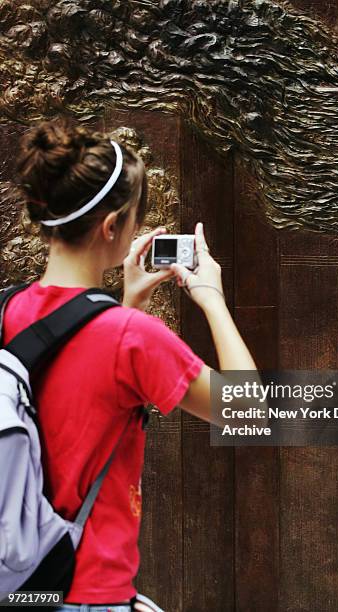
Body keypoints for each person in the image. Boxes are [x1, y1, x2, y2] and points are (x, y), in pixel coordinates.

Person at [2, 119, 263, 611]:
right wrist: (212, 299)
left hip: (20, 591)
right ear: (111, 228)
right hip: (87, 594)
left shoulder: (5, 313)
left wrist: (126, 305)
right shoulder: (131, 338)